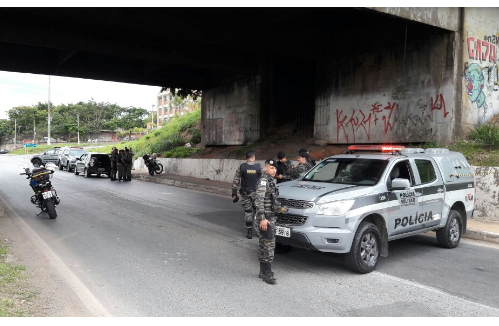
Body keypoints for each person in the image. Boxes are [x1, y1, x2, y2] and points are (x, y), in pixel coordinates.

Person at [255, 159, 281, 284]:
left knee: (264, 245)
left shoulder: (271, 181)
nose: (274, 170)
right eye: (271, 168)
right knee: (269, 246)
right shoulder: (264, 181)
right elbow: (259, 201)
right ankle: (267, 273)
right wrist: (263, 219)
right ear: (265, 168)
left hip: (270, 217)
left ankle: (263, 271)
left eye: (275, 168)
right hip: (266, 219)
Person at [231, 151, 262, 239]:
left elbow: (236, 181)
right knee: (258, 211)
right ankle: (259, 232)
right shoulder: (259, 167)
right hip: (257, 193)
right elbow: (264, 180)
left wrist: (234, 193)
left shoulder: (242, 167)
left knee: (248, 212)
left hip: (245, 193)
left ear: (246, 158)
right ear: (253, 157)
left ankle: (249, 232)